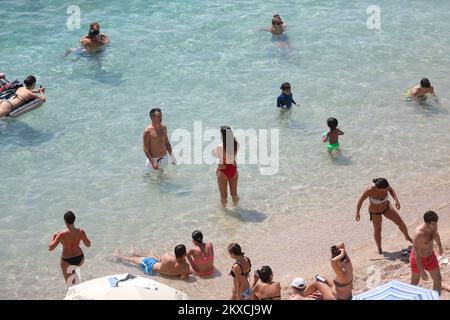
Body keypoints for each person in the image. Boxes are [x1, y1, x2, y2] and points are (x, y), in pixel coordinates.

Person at [356, 178, 413, 254]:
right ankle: (379, 249)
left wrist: (396, 200)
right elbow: (361, 200)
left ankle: (407, 236)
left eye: (387, 188)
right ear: (378, 188)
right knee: (378, 230)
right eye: (384, 189)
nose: (386, 189)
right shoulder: (370, 190)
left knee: (400, 222)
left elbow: (391, 190)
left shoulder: (386, 186)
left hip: (386, 208)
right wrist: (357, 212)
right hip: (375, 212)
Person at [48, 211, 91, 285]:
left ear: (65, 221)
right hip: (79, 258)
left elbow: (51, 248)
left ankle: (73, 294)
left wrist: (54, 236)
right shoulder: (81, 231)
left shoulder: (61, 234)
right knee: (75, 279)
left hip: (67, 261)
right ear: (74, 220)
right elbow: (88, 245)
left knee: (70, 284)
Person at [410, 211, 443, 295]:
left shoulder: (434, 227)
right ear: (426, 223)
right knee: (414, 282)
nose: (435, 226)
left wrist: (440, 247)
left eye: (436, 223)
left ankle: (435, 298)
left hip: (431, 257)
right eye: (433, 224)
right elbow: (416, 254)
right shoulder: (418, 234)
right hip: (418, 259)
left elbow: (436, 235)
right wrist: (422, 271)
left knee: (438, 279)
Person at [113, 244, 191, 279]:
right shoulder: (186, 267)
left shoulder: (167, 257)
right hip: (156, 272)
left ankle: (118, 256)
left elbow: (160, 259)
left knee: (132, 260)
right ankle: (136, 253)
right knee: (151, 255)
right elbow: (183, 277)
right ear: (184, 254)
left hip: (149, 266)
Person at [213, 126, 239, 208]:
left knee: (223, 196)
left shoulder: (219, 147)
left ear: (223, 136)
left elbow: (215, 155)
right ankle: (236, 207)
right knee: (234, 194)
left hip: (223, 171)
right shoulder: (236, 144)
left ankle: (224, 213)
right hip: (233, 169)